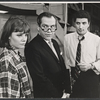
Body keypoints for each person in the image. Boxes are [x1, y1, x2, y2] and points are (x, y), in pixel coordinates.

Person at [25, 12, 71, 98]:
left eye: (52, 26)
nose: (49, 31)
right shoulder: (32, 47)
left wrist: (67, 89)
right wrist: (59, 95)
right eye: (45, 26)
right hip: (47, 95)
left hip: (61, 92)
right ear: (38, 27)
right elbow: (39, 78)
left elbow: (62, 66)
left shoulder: (54, 43)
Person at [64, 10, 100, 98]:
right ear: (74, 24)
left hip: (90, 76)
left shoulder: (96, 39)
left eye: (84, 23)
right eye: (78, 23)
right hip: (73, 77)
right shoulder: (67, 38)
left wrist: (91, 66)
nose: (80, 26)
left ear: (88, 24)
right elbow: (66, 59)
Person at [0, 16, 33, 98]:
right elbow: (8, 95)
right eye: (19, 35)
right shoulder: (7, 61)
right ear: (8, 36)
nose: (24, 39)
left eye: (26, 35)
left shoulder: (17, 55)